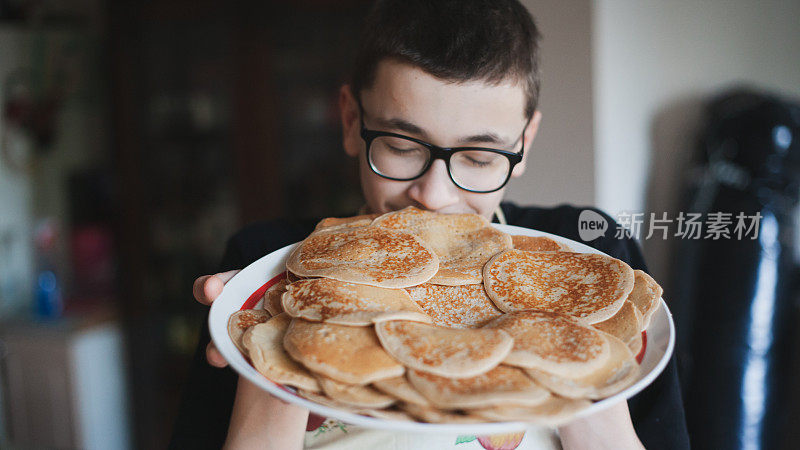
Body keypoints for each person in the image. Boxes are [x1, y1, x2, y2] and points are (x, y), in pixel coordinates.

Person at [171, 1, 690, 449]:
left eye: (481, 157)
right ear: (351, 120)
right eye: (400, 146)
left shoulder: (592, 253)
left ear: (524, 143)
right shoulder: (267, 267)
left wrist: (585, 366)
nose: (434, 196)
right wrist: (277, 355)